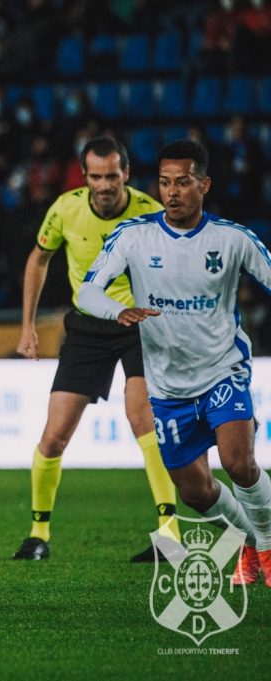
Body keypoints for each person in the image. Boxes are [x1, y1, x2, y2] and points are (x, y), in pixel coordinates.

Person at [79, 139, 271, 586]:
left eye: (182, 182)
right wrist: (116, 310)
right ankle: (248, 538)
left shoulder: (232, 239)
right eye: (165, 183)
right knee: (195, 492)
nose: (172, 192)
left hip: (223, 369)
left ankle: (266, 543)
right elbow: (87, 292)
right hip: (167, 386)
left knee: (239, 462)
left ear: (203, 185)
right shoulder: (134, 237)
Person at [12, 136, 181, 562]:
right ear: (84, 176)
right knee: (54, 435)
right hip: (87, 326)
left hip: (140, 324)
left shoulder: (150, 213)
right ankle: (38, 535)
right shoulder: (66, 208)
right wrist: (28, 326)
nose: (104, 185)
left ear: (126, 173)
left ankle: (169, 532)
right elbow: (38, 258)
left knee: (143, 419)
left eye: (112, 175)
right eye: (96, 176)